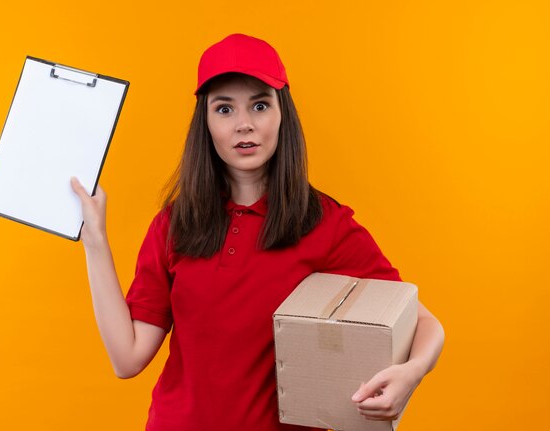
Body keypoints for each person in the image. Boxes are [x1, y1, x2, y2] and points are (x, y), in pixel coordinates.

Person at [71, 33, 445, 431]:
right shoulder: (175, 224)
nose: (244, 124)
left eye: (260, 105)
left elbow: (425, 323)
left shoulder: (324, 223)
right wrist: (95, 240)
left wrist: (412, 373)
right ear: (206, 123)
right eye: (225, 108)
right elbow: (127, 358)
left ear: (282, 114)